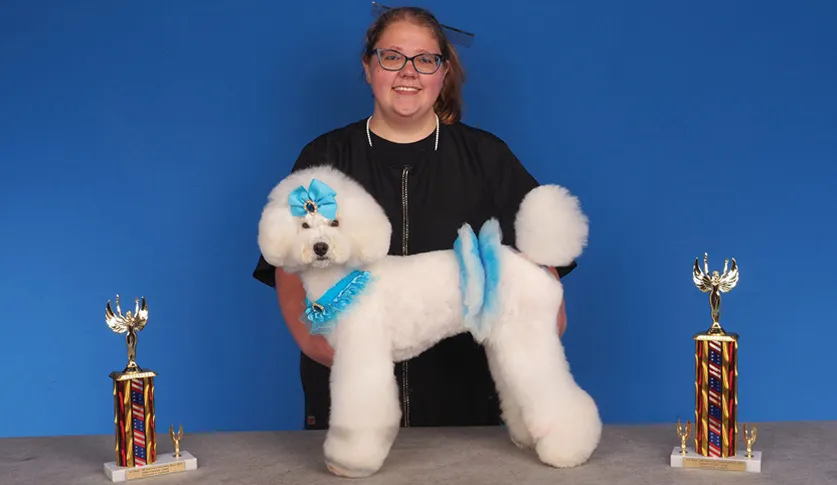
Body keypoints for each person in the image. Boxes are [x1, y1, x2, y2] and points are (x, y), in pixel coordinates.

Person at [252, 5, 577, 430]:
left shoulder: (485, 156)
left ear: (443, 73)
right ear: (368, 67)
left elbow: (542, 265)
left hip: (465, 411)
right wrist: (323, 342)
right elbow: (288, 265)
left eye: (425, 60)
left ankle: (557, 424)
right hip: (339, 391)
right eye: (392, 57)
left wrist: (539, 313)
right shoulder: (324, 159)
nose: (408, 72)